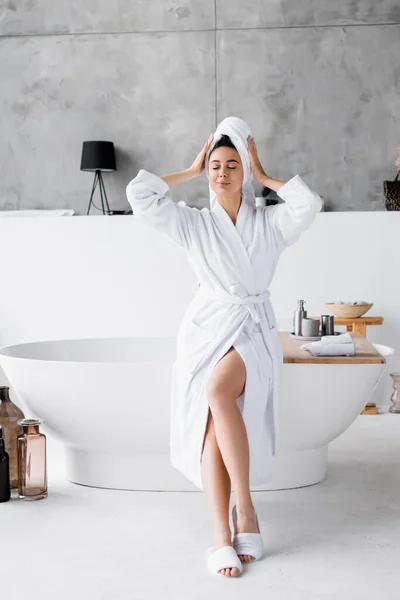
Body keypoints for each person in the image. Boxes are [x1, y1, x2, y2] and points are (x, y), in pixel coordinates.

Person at [126, 116, 323, 577]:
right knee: (210, 425)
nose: (222, 174)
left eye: (232, 165)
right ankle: (222, 531)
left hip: (252, 328)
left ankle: (246, 510)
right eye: (215, 165)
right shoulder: (193, 224)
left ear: (245, 172)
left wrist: (266, 172)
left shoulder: (270, 223)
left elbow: (307, 204)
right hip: (206, 329)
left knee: (218, 393)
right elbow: (140, 196)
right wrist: (189, 170)